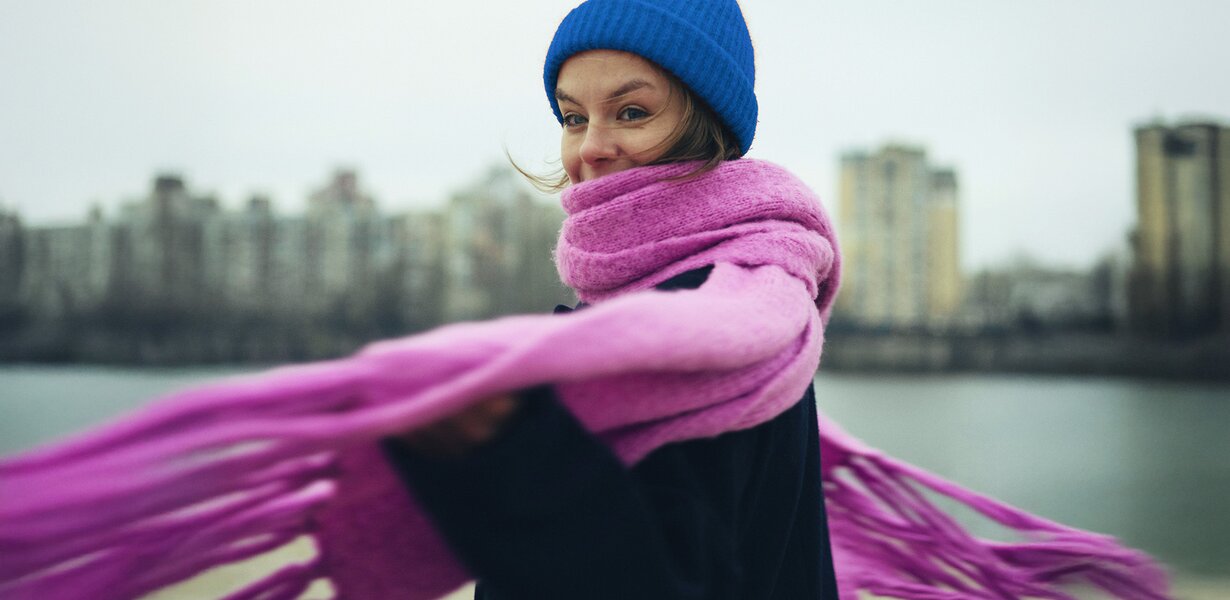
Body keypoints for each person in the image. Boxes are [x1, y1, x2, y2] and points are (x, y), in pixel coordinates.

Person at [380, 1, 842, 598]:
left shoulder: (707, 324)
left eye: (631, 111)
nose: (590, 148)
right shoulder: (746, 302)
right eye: (573, 118)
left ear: (708, 125)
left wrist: (503, 450)